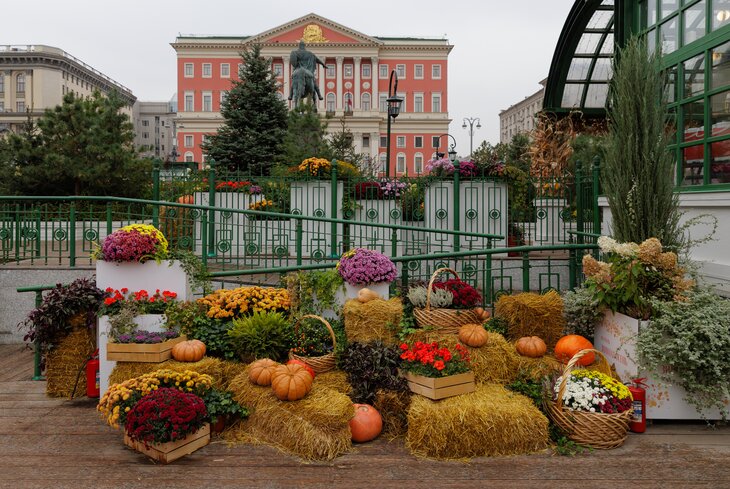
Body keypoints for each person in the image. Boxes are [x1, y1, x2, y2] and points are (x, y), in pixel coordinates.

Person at [288, 40, 326, 104]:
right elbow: (317, 60)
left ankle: (290, 95)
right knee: (314, 83)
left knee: (294, 82)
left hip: (298, 69)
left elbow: (293, 62)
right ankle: (319, 95)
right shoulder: (309, 53)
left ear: (299, 46)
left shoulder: (295, 52)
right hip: (308, 71)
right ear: (304, 46)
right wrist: (323, 64)